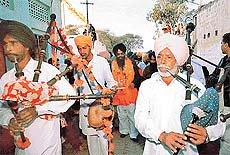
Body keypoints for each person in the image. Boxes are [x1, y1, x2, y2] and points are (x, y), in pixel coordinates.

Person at [134, 34, 225, 155]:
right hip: (155, 150)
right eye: (159, 56)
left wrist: (207, 134)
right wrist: (162, 136)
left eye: (168, 57)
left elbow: (217, 119)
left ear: (178, 61)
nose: (162, 61)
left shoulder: (194, 85)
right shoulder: (147, 86)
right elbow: (140, 119)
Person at [0, 20, 76, 154]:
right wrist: (9, 120)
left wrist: (38, 109)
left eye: (13, 43)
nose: (8, 48)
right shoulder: (6, 78)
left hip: (47, 146)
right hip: (21, 148)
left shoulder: (47, 71)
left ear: (27, 46)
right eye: (5, 44)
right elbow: (2, 108)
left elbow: (70, 97)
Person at [73, 35, 117, 155]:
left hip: (101, 108)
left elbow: (111, 82)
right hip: (86, 109)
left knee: (104, 144)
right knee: (92, 145)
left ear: (90, 47)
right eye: (79, 49)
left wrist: (112, 89)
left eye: (84, 48)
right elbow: (76, 87)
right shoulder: (76, 65)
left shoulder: (101, 62)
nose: (82, 52)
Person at [206, 32, 230, 155]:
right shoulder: (223, 60)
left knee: (227, 139)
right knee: (221, 136)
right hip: (222, 104)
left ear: (226, 44)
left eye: (221, 43)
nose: (221, 45)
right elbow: (214, 77)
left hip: (228, 107)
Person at [111, 43, 139, 142]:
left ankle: (133, 134)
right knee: (121, 115)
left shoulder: (132, 63)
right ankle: (124, 131)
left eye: (121, 53)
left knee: (131, 115)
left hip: (130, 93)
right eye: (118, 54)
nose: (120, 56)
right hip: (119, 94)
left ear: (124, 53)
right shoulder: (113, 64)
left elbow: (138, 77)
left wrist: (134, 83)